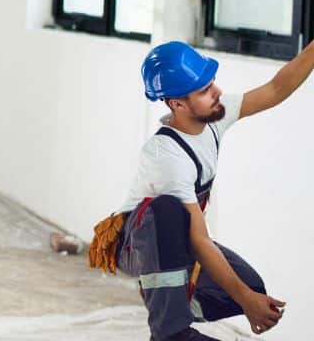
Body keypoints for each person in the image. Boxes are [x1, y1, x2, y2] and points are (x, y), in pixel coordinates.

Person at [90, 40, 311, 340]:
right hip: (136, 242)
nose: (217, 91)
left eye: (211, 83)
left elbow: (275, 89)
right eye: (204, 90)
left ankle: (172, 305)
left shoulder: (213, 117)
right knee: (167, 210)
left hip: (173, 239)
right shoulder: (165, 155)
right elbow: (199, 240)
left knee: (250, 286)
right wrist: (248, 304)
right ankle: (171, 331)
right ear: (177, 104)